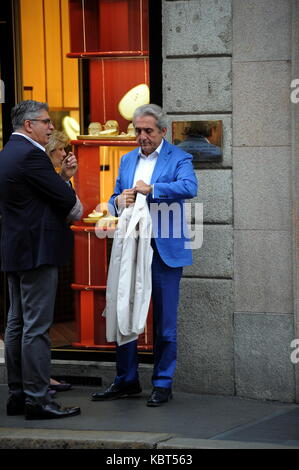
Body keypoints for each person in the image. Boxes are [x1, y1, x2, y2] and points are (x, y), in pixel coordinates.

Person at [91, 104, 198, 407]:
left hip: (164, 251)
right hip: (130, 248)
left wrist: (152, 189)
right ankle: (126, 380)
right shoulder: (126, 161)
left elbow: (190, 187)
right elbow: (113, 202)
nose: (142, 136)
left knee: (165, 322)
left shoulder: (179, 157)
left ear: (163, 131)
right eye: (138, 130)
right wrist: (118, 201)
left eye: (148, 130)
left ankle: (163, 383)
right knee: (123, 311)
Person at [0, 100, 81, 419]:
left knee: (17, 323)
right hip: (37, 252)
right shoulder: (32, 155)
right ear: (28, 125)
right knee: (35, 326)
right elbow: (69, 205)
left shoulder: (6, 154)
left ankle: (18, 394)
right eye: (45, 122)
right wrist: (66, 179)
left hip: (15, 251)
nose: (51, 127)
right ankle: (37, 399)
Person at [45, 129, 83, 394]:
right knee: (36, 322)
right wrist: (64, 180)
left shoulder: (51, 177)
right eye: (61, 150)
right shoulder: (42, 176)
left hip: (45, 251)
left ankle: (34, 378)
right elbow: (75, 210)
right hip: (43, 251)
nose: (65, 154)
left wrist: (65, 177)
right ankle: (38, 379)